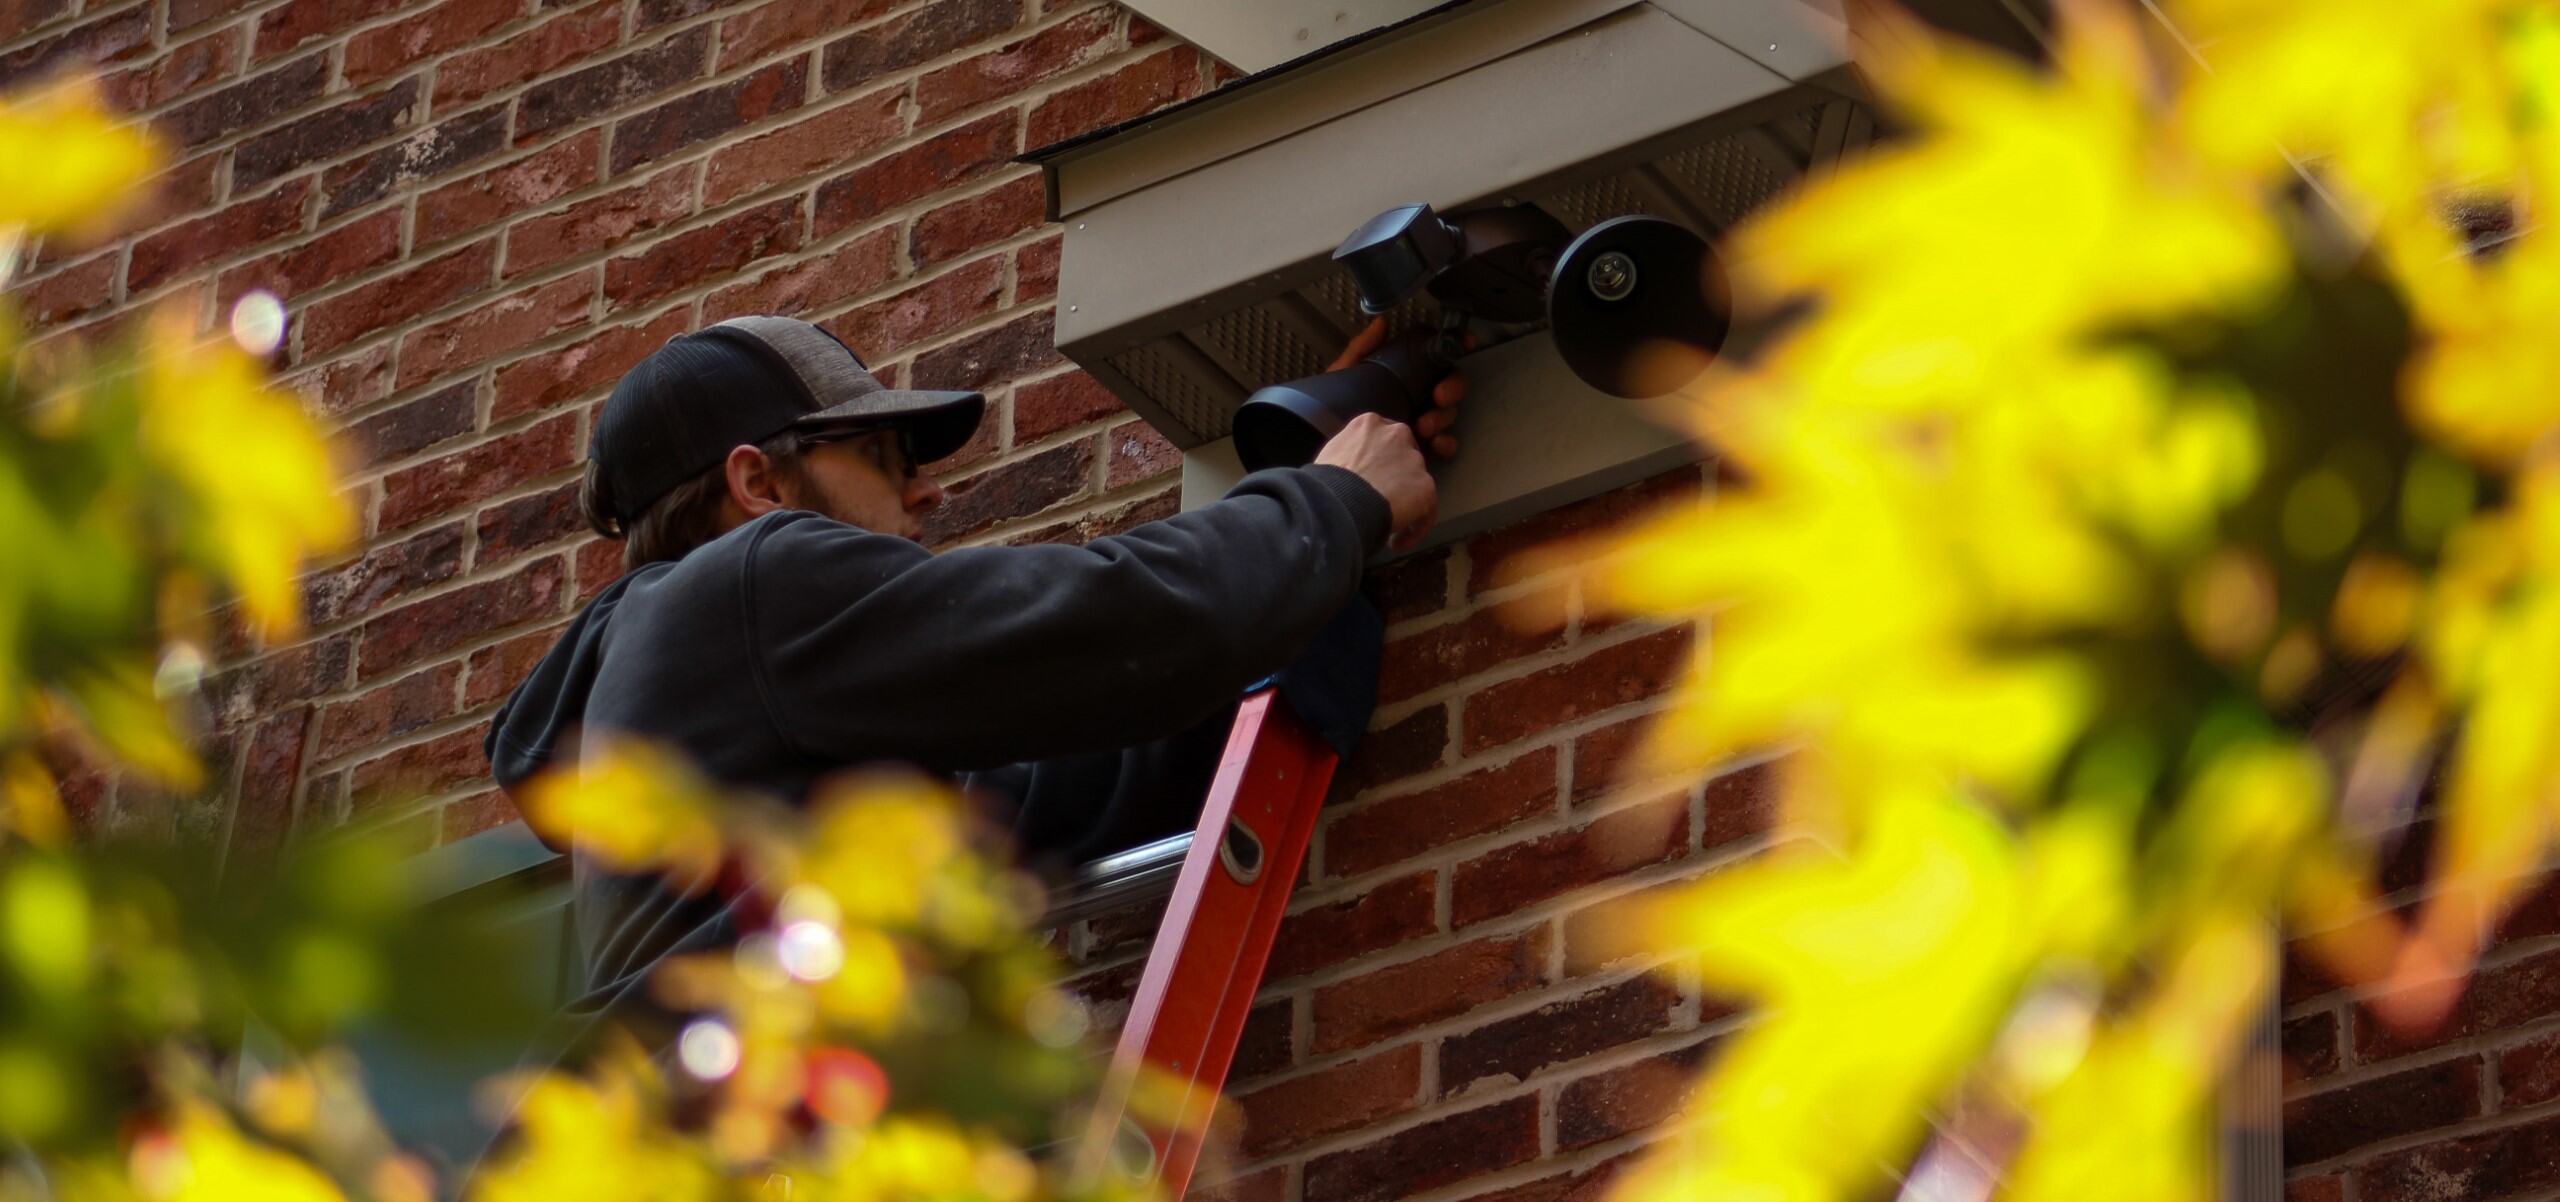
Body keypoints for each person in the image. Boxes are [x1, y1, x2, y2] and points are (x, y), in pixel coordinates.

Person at [482, 313, 1460, 1053]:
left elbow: (1060, 783)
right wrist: (1330, 502)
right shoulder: (748, 583)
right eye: (882, 459)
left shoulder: (749, 730)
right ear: (760, 485)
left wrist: (1321, 552)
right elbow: (1106, 625)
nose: (928, 490)